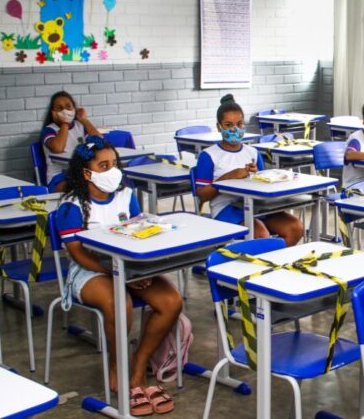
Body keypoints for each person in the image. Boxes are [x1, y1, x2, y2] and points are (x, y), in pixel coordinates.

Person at [56, 136, 182, 416]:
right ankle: (117, 367)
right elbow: (78, 255)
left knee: (171, 301)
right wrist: (120, 275)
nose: (112, 170)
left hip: (129, 266)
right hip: (90, 270)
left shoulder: (126, 195)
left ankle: (138, 368)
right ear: (86, 173)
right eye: (103, 166)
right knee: (118, 302)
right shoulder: (71, 206)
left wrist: (135, 270)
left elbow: (138, 232)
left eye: (114, 164)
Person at [194, 94, 304, 245]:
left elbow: (263, 186)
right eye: (228, 125)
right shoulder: (209, 155)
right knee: (261, 235)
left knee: (295, 227)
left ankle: (274, 257)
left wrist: (258, 175)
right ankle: (263, 258)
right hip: (226, 208)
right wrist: (228, 176)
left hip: (256, 205)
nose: (235, 129)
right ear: (219, 127)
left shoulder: (252, 152)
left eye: (239, 124)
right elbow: (202, 195)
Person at [41, 91, 101, 192]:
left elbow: (100, 142)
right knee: (82, 187)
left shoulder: (79, 126)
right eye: (60, 108)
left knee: (102, 184)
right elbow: (58, 148)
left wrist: (84, 120)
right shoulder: (49, 130)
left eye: (68, 107)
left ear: (74, 109)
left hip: (82, 173)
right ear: (53, 113)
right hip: (59, 176)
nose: (65, 111)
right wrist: (65, 123)